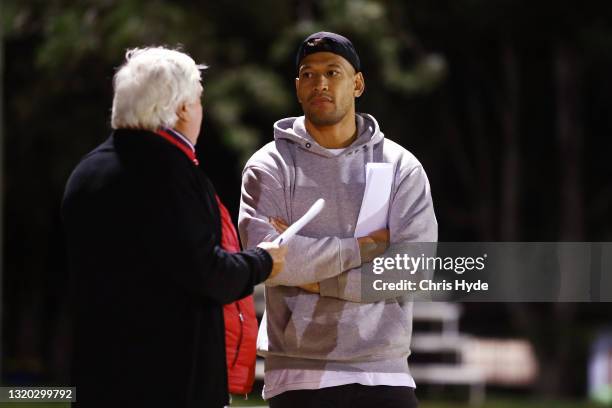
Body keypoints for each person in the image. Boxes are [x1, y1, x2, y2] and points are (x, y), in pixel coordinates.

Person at [62, 46, 286, 408]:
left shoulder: (85, 173)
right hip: (170, 383)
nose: (200, 112)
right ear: (182, 108)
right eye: (198, 101)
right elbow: (208, 273)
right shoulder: (169, 173)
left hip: (97, 380)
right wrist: (263, 261)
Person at [238, 32, 437, 407]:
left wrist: (316, 280)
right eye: (308, 75)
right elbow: (269, 262)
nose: (321, 83)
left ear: (357, 84)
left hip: (383, 368)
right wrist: (364, 247)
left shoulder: (399, 167)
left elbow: (413, 269)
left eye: (333, 72)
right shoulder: (269, 167)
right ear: (297, 88)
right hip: (298, 373)